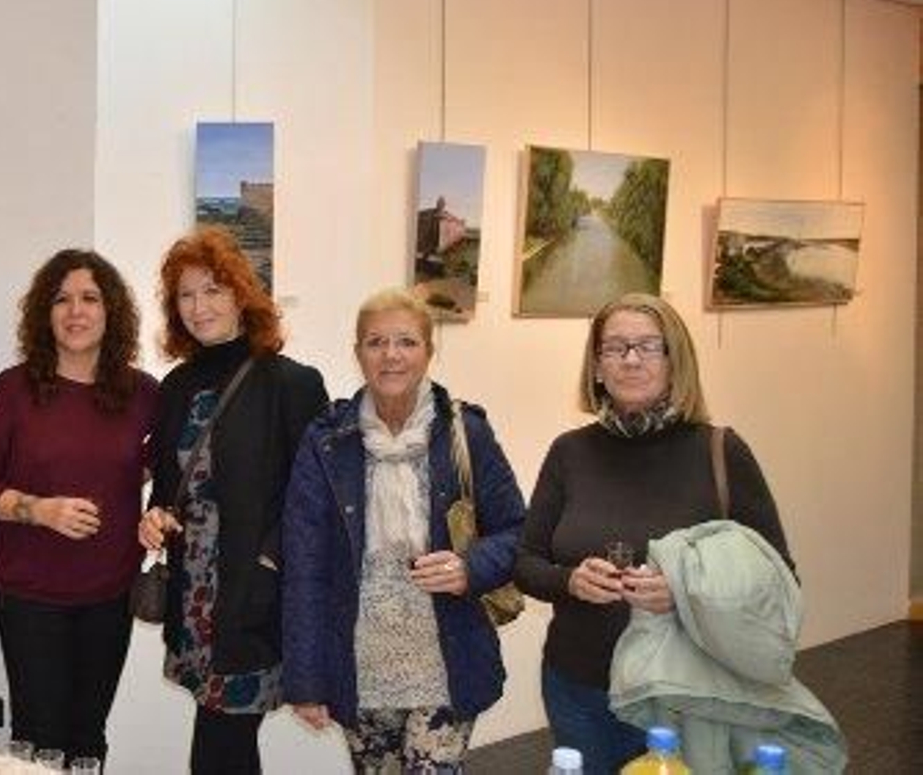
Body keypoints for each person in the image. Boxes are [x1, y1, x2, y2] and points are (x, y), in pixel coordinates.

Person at [514, 292, 792, 774]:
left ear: (674, 360)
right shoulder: (570, 452)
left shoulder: (721, 452)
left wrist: (685, 590)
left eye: (648, 346)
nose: (631, 359)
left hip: (685, 692)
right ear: (597, 366)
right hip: (580, 687)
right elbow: (526, 563)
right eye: (614, 347)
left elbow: (778, 577)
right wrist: (570, 581)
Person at [282, 289, 526, 773]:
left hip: (445, 658)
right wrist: (306, 679)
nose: (391, 355)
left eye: (406, 342)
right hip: (360, 663)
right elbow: (304, 566)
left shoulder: (465, 432)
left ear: (428, 352)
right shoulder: (326, 441)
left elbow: (519, 530)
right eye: (376, 342)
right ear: (358, 354)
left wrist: (470, 567)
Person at [138, 227, 329, 774]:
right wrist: (155, 515)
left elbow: (312, 500)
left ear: (243, 294)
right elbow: (167, 484)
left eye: (213, 290)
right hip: (193, 595)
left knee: (223, 743)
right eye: (186, 294)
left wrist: (270, 566)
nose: (199, 307)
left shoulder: (291, 383)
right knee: (223, 739)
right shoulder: (176, 386)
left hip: (251, 597)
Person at [0, 249, 159, 764]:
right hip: (30, 595)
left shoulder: (142, 393)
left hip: (109, 594)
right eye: (62, 299)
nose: (76, 311)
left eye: (90, 298)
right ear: (43, 314)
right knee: (38, 736)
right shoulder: (14, 388)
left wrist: (153, 504)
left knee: (89, 736)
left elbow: (171, 472)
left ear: (110, 311)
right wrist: (38, 510)